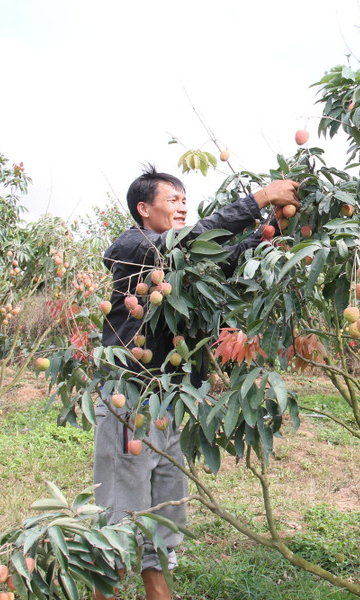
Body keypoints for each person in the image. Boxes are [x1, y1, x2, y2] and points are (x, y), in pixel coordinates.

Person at [94, 165, 299, 600]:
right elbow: (186, 243)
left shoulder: (185, 261)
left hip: (170, 400)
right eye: (173, 199)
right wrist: (259, 198)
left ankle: (158, 589)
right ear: (143, 209)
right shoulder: (132, 246)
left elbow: (222, 257)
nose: (183, 206)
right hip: (129, 396)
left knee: (167, 502)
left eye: (186, 199)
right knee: (121, 503)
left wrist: (270, 230)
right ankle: (103, 587)